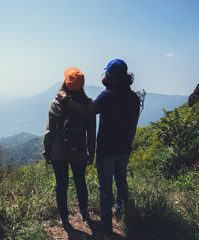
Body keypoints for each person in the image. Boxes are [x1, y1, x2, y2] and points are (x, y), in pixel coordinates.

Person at [57, 59, 141, 233]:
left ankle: (105, 223)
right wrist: (129, 144)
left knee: (105, 187)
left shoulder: (107, 95)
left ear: (108, 75)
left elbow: (88, 112)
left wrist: (67, 101)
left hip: (107, 148)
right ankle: (120, 210)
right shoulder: (133, 97)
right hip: (124, 148)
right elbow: (133, 124)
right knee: (121, 181)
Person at [43, 67, 96, 228]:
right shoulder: (88, 106)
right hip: (79, 152)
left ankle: (64, 217)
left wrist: (46, 152)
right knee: (80, 182)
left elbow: (50, 132)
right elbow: (92, 133)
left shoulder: (56, 104)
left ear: (65, 83)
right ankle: (84, 212)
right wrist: (91, 153)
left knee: (61, 185)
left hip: (59, 153)